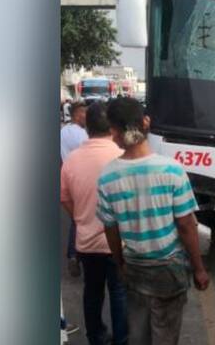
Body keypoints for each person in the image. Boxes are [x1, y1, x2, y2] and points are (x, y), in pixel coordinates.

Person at [97, 97, 210, 345]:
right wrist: (199, 268)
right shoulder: (172, 170)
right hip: (168, 271)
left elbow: (110, 228)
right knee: (165, 336)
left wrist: (120, 263)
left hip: (134, 268)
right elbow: (186, 225)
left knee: (138, 335)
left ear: (114, 132)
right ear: (146, 122)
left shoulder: (107, 177)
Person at [61, 102, 127, 345]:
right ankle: (122, 339)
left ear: (86, 127)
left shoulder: (72, 160)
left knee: (92, 292)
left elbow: (64, 197)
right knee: (119, 292)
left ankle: (96, 338)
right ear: (112, 127)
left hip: (87, 241)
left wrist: (80, 217)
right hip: (120, 242)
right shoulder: (122, 157)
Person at [61, 101, 88, 277]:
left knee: (76, 218)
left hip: (67, 176)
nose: (87, 116)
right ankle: (80, 254)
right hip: (80, 178)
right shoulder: (82, 135)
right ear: (77, 114)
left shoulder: (63, 131)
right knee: (82, 218)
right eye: (84, 113)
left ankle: (73, 256)